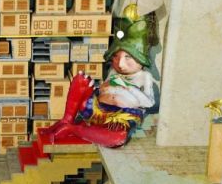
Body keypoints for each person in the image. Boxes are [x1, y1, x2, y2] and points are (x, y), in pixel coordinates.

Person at [39, 17, 155, 148]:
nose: (120, 64)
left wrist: (127, 88)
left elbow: (149, 103)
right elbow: (102, 88)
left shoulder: (144, 76)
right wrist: (101, 87)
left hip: (119, 118)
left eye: (128, 57)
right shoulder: (113, 71)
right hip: (96, 110)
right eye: (116, 56)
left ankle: (72, 129)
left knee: (119, 138)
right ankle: (66, 120)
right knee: (81, 79)